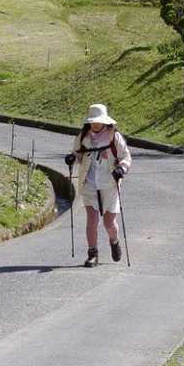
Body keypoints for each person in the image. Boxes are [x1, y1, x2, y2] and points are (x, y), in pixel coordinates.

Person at [64, 103, 132, 267]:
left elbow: (126, 157)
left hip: (109, 184)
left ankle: (114, 241)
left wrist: (122, 169)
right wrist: (72, 158)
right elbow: (77, 154)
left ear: (104, 121)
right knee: (92, 220)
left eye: (98, 121)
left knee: (109, 223)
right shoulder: (83, 136)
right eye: (92, 121)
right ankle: (92, 254)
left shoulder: (114, 136)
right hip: (89, 183)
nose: (95, 124)